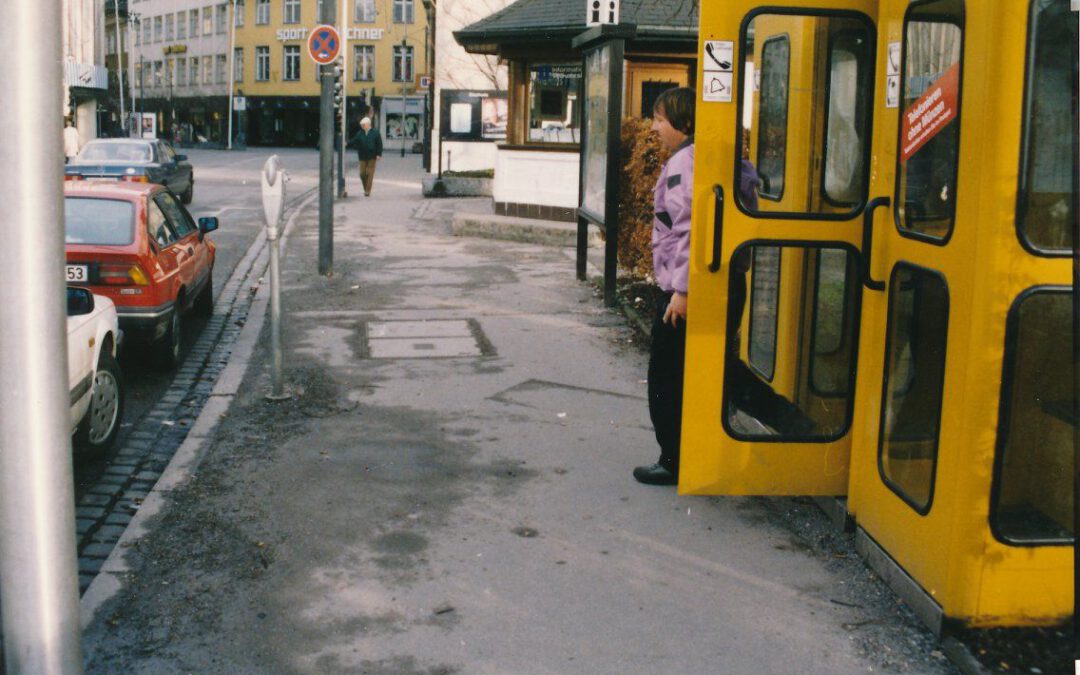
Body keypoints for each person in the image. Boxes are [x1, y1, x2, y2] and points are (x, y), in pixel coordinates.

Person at [634, 87, 696, 486]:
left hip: (681, 292)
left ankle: (673, 460)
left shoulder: (684, 163)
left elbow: (691, 223)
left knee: (666, 376)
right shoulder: (692, 158)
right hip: (683, 286)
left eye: (660, 119)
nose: (654, 127)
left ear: (683, 123)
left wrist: (683, 290)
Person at [348, 116, 383, 197]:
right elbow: (354, 140)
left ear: (368, 124)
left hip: (372, 156)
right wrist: (347, 143)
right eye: (361, 125)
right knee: (362, 173)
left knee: (369, 173)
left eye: (363, 125)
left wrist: (379, 154)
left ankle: (367, 191)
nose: (362, 126)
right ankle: (366, 188)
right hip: (362, 156)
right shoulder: (360, 133)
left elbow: (379, 144)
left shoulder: (375, 133)